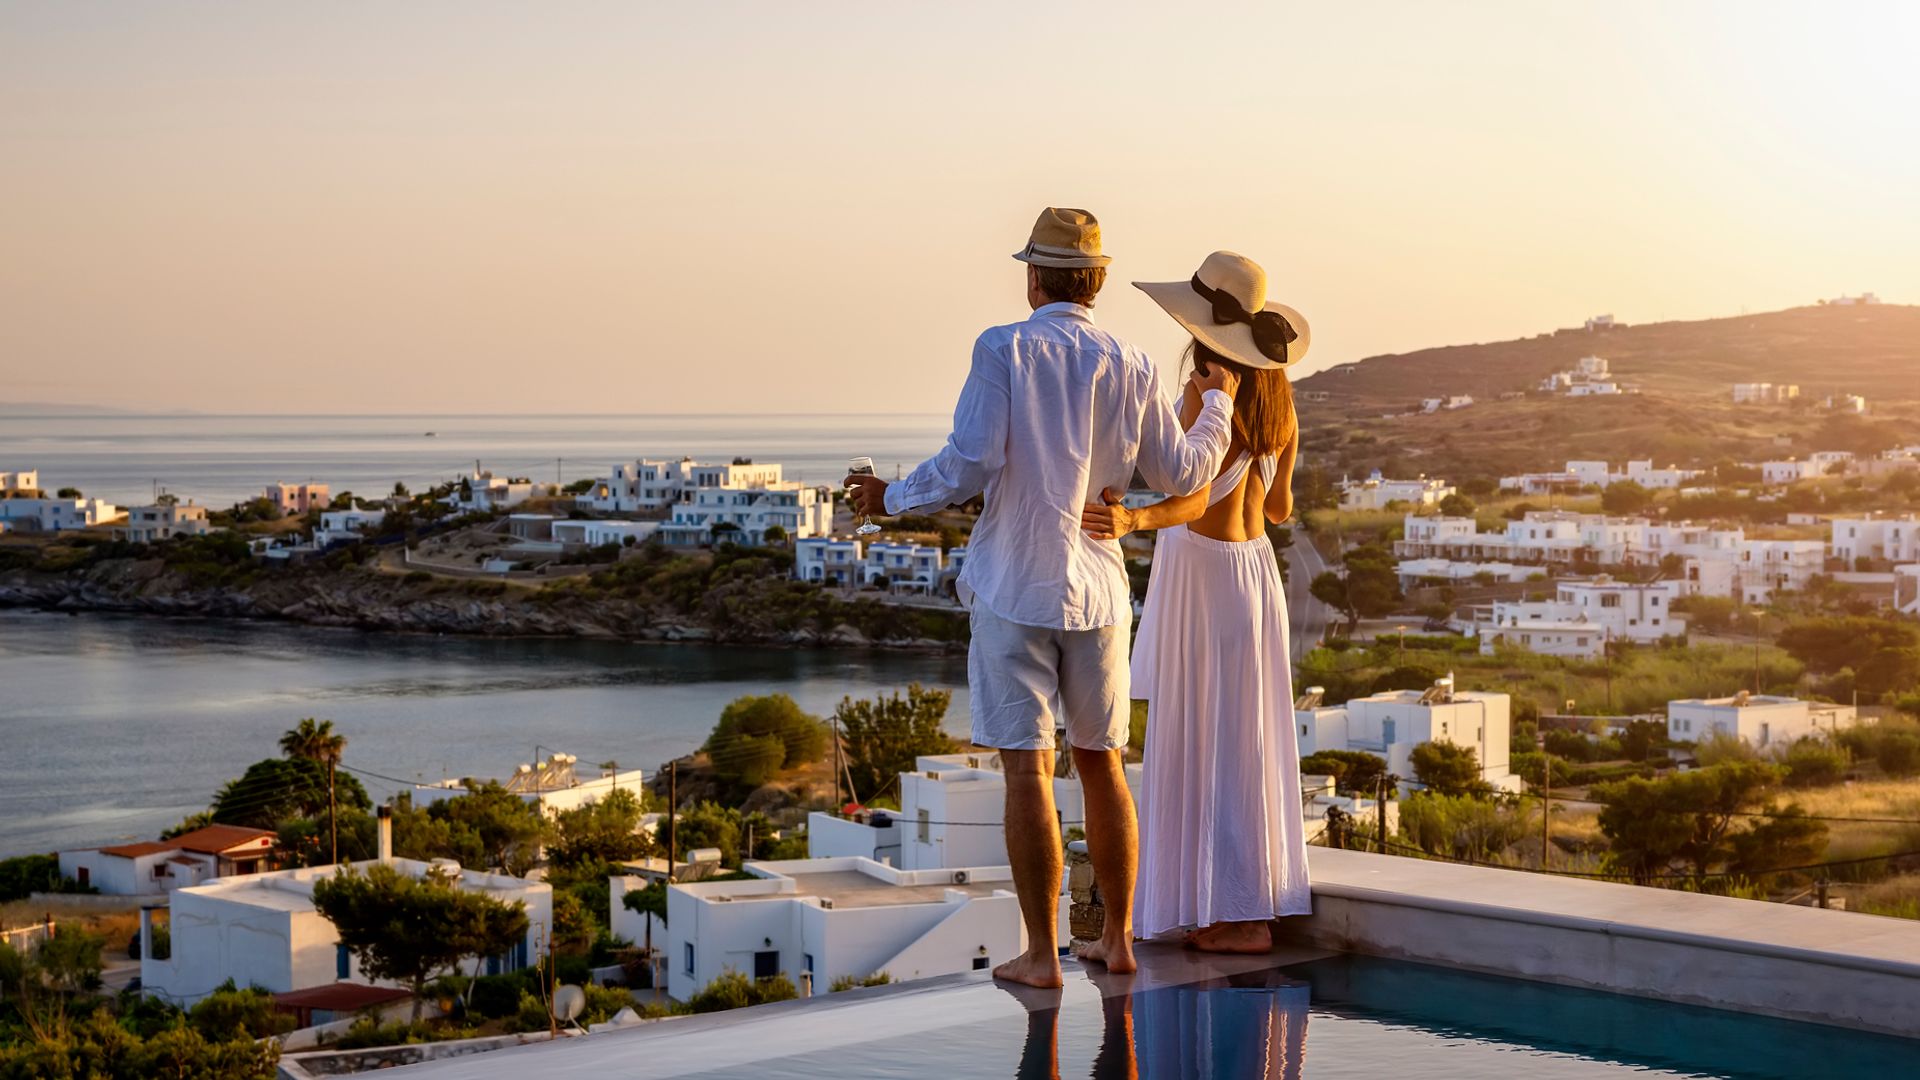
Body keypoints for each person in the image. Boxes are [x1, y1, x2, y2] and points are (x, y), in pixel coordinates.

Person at [845, 208, 1240, 988]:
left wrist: (887, 497)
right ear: (1095, 280)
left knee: (1027, 774)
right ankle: (1118, 941)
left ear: (1033, 278)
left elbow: (966, 463)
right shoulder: (1132, 361)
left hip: (1014, 586)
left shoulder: (1005, 348)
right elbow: (1184, 473)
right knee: (1103, 767)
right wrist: (1220, 401)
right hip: (1097, 593)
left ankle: (1038, 954)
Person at [1080, 250, 1313, 953]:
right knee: (1243, 743)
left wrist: (1130, 519)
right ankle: (1246, 909)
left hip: (1205, 579)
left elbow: (1185, 498)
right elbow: (1278, 509)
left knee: (1200, 744)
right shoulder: (1280, 408)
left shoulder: (1201, 399)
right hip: (1252, 578)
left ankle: (1226, 917)